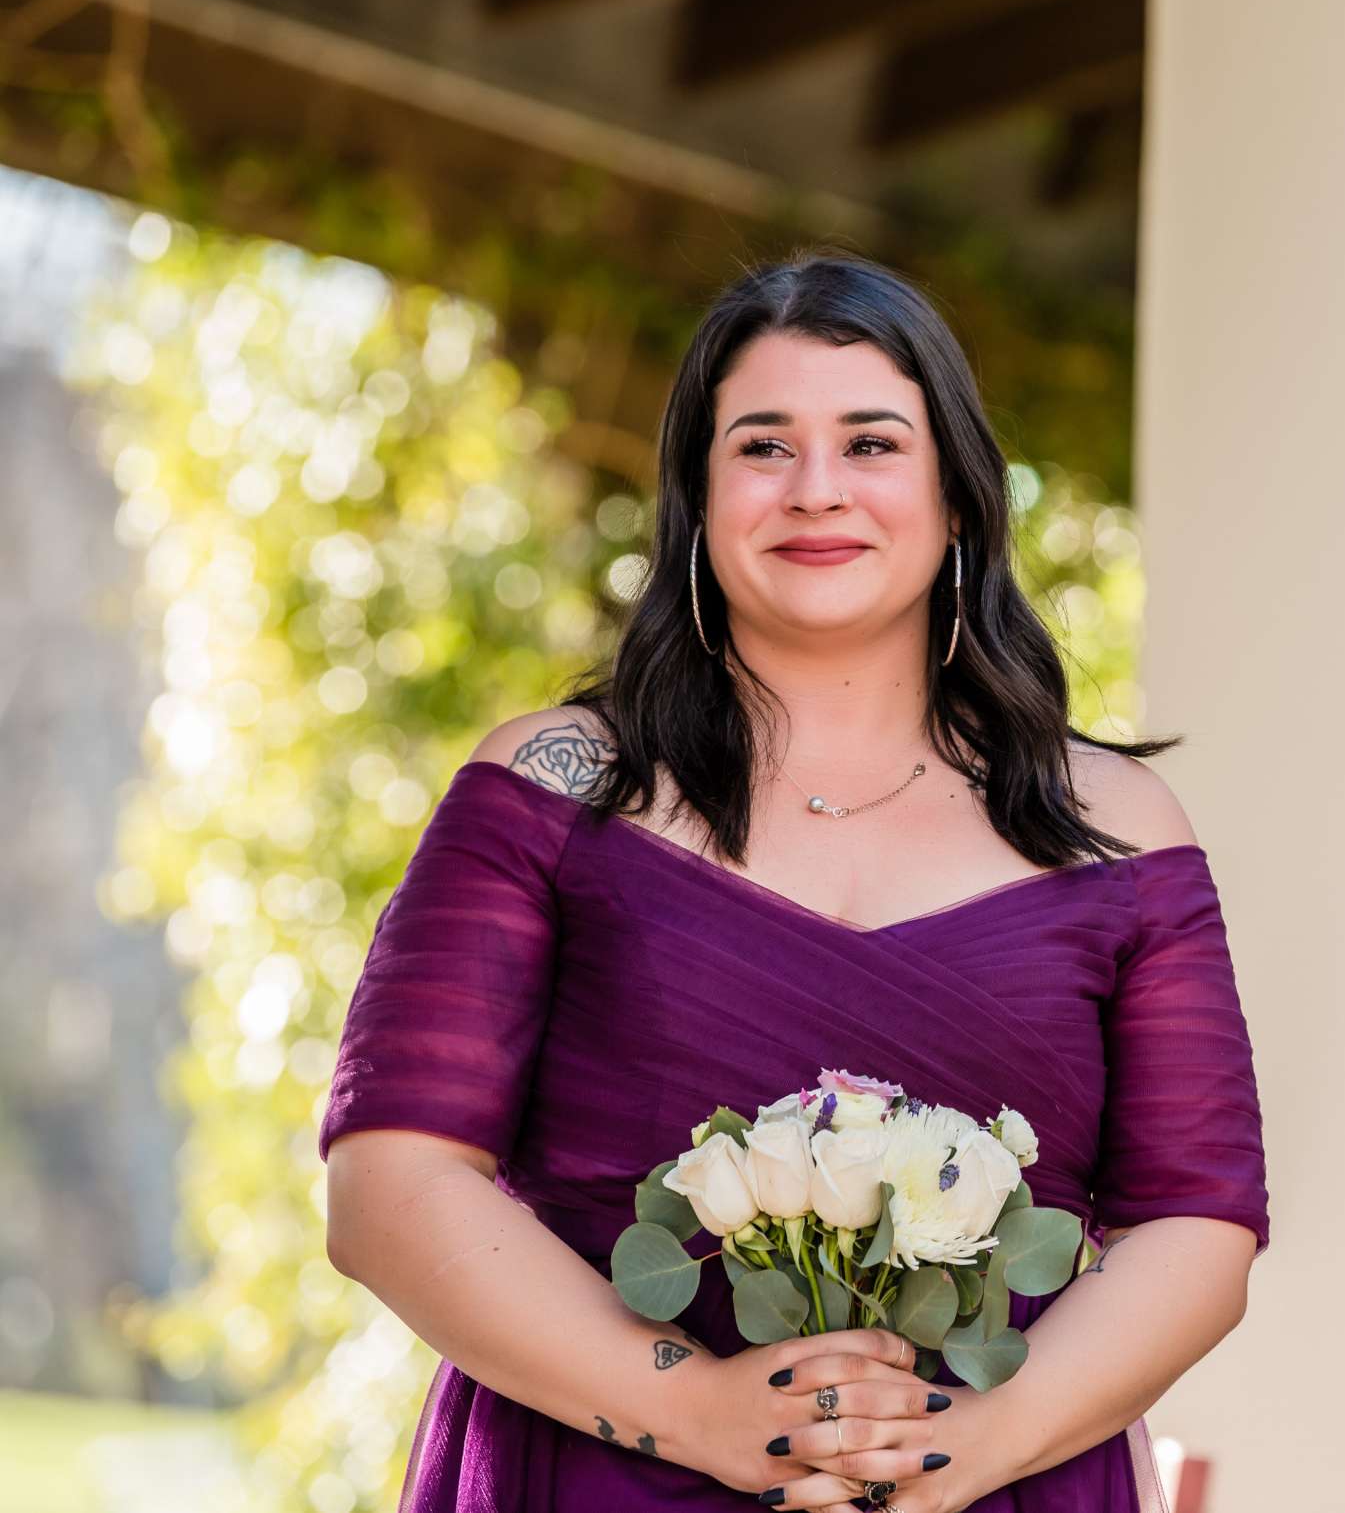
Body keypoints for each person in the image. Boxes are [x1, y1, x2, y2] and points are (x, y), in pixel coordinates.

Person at [320, 254, 1269, 1512]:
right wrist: (688, 1406)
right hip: (605, 1476)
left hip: (994, 1484)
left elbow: (1198, 1224)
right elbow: (389, 1184)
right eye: (764, 447)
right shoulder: (553, 790)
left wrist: (975, 1441)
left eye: (872, 443)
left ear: (959, 500)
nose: (817, 490)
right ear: (698, 502)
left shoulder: (1118, 832)